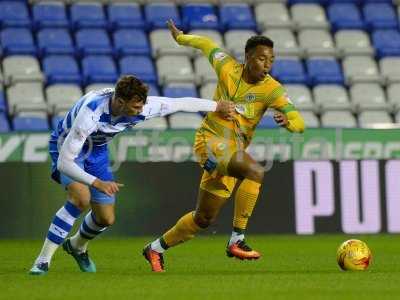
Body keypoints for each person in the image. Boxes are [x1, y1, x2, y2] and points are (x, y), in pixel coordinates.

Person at [29, 75, 235, 275]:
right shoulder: (90, 115)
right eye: (136, 107)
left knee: (106, 218)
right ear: (119, 102)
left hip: (97, 151)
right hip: (67, 148)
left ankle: (76, 246)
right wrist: (97, 182)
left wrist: (216, 106)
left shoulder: (142, 106)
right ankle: (43, 261)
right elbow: (66, 162)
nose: (141, 111)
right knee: (80, 199)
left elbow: (179, 103)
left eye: (142, 105)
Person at [143, 20, 306, 272]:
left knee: (204, 218)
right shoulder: (227, 67)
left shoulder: (272, 89)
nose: (267, 64)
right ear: (248, 57)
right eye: (262, 59)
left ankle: (155, 248)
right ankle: (237, 238)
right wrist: (181, 39)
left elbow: (299, 121)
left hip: (232, 154)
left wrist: (289, 123)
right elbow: (207, 44)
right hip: (210, 141)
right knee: (255, 171)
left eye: (271, 60)